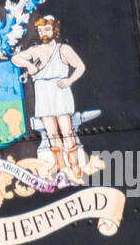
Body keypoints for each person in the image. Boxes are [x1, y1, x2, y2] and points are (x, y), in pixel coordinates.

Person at [11, 16, 86, 182]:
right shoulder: (36, 50)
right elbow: (15, 58)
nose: (43, 33)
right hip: (42, 92)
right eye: (40, 30)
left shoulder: (63, 49)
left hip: (59, 91)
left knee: (66, 131)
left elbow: (80, 66)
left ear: (54, 30)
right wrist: (29, 65)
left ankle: (74, 164)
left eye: (47, 29)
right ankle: (59, 164)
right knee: (51, 133)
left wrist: (69, 80)